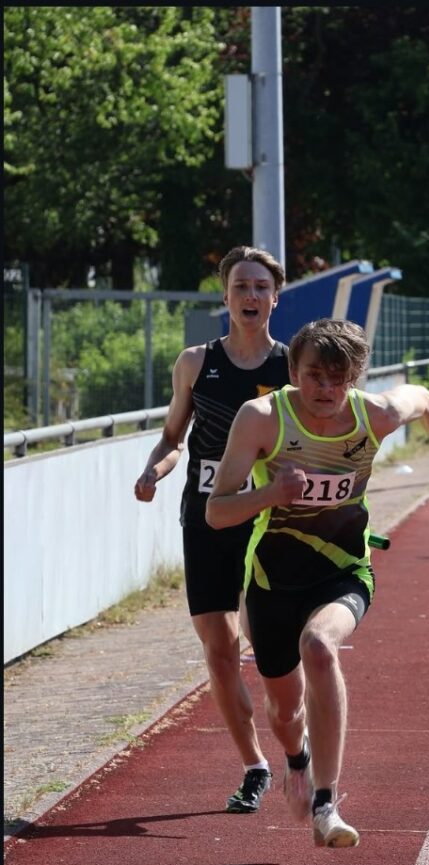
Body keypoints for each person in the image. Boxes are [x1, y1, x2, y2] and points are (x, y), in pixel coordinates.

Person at [205, 318, 429, 847]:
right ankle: (296, 759)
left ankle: (327, 802)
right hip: (272, 579)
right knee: (286, 713)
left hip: (343, 569)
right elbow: (216, 512)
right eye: (313, 376)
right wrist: (270, 494)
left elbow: (426, 400)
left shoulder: (376, 415)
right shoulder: (261, 418)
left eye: (337, 379)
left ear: (355, 378)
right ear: (293, 371)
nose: (324, 389)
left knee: (320, 647)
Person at [135, 245, 292, 817]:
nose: (251, 296)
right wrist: (153, 470)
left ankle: (299, 743)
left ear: (275, 298)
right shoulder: (195, 363)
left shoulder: (292, 366)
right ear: (225, 296)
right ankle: (255, 766)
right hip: (207, 519)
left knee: (274, 646)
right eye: (240, 286)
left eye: (260, 287)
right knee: (220, 651)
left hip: (271, 520)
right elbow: (173, 438)